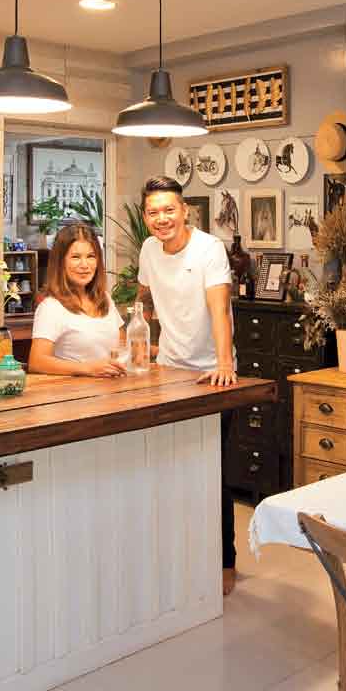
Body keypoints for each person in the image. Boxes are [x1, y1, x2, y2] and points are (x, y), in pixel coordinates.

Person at [136, 176, 238, 595]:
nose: (162, 218)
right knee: (167, 469)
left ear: (184, 211)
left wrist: (225, 364)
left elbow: (219, 310)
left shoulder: (209, 249)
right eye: (153, 212)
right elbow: (143, 297)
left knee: (212, 470)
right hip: (168, 372)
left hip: (210, 374)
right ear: (146, 217)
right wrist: (136, 336)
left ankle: (224, 562)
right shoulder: (149, 249)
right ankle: (178, 558)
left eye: (169, 210)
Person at [29, 223, 126, 378]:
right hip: (74, 391)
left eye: (91, 256)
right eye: (75, 257)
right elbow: (37, 362)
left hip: (112, 389)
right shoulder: (51, 307)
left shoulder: (105, 299)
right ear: (60, 262)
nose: (84, 265)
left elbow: (123, 346)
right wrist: (88, 369)